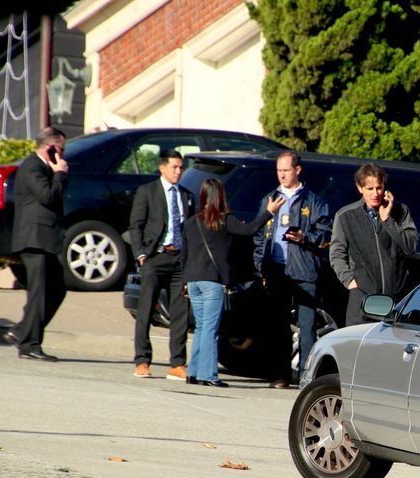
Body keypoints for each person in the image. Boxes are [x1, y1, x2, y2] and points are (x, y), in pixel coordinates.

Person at [253, 151, 332, 388]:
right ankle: (281, 374)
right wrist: (261, 268)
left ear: (297, 170)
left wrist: (304, 237)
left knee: (307, 326)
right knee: (278, 325)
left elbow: (326, 235)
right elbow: (259, 235)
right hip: (276, 269)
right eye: (279, 170)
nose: (282, 175)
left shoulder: (315, 201)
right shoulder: (269, 199)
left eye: (286, 170)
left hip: (304, 270)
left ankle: (307, 377)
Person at [183, 178, 269, 388]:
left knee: (201, 327)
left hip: (193, 280)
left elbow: (184, 255)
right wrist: (269, 212)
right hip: (212, 281)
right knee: (211, 329)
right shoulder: (224, 220)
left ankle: (193, 372)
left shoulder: (191, 222)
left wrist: (185, 282)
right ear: (221, 196)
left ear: (203, 195)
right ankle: (208, 375)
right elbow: (250, 230)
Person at [128, 149, 193, 381]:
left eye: (181, 167)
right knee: (146, 309)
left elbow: (190, 228)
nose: (178, 171)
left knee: (180, 312)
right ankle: (142, 360)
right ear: (162, 167)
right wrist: (141, 254)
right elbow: (135, 225)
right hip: (155, 257)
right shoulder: (148, 191)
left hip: (179, 259)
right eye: (174, 167)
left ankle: (177, 363)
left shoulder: (186, 194)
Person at [6, 126, 69, 362]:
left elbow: (56, 196)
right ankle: (29, 345)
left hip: (45, 241)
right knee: (39, 293)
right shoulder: (32, 166)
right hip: (34, 240)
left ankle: (22, 331)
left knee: (57, 289)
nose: (63, 155)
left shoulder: (45, 168)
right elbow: (48, 196)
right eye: (61, 150)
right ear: (50, 148)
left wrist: (58, 173)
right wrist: (60, 173)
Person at [329, 163, 418, 327]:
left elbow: (410, 247)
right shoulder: (345, 216)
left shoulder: (400, 211)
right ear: (360, 188)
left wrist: (388, 220)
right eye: (370, 188)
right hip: (362, 300)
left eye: (379, 187)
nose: (375, 193)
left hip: (396, 300)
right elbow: (336, 254)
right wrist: (350, 282)